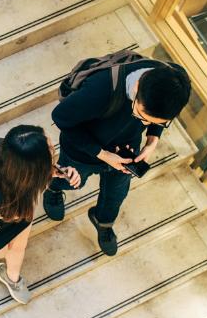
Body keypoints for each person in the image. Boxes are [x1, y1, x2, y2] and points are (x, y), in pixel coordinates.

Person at [43, 59, 191, 256]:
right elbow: (61, 118)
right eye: (141, 116)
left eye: (153, 122)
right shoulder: (100, 90)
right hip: (82, 151)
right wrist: (103, 154)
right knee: (69, 182)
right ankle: (53, 190)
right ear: (137, 87)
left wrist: (152, 139)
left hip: (126, 150)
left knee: (116, 194)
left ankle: (102, 221)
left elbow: (160, 114)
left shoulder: (173, 82)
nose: (145, 123)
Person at [0, 125, 80, 304]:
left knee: (19, 246)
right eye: (48, 148)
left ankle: (12, 278)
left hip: (18, 210)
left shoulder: (18, 161)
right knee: (2, 252)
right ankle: (10, 275)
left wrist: (57, 172)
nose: (52, 146)